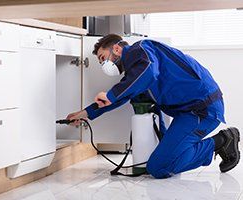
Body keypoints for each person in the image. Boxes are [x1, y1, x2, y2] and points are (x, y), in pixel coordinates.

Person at [66, 34, 240, 179]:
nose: (104, 65)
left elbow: (148, 70)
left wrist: (111, 94)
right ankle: (191, 149)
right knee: (163, 160)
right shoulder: (136, 75)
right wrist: (84, 114)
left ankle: (222, 141)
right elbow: (117, 99)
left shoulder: (140, 49)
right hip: (189, 112)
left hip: (203, 110)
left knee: (159, 167)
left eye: (103, 58)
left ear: (117, 49)